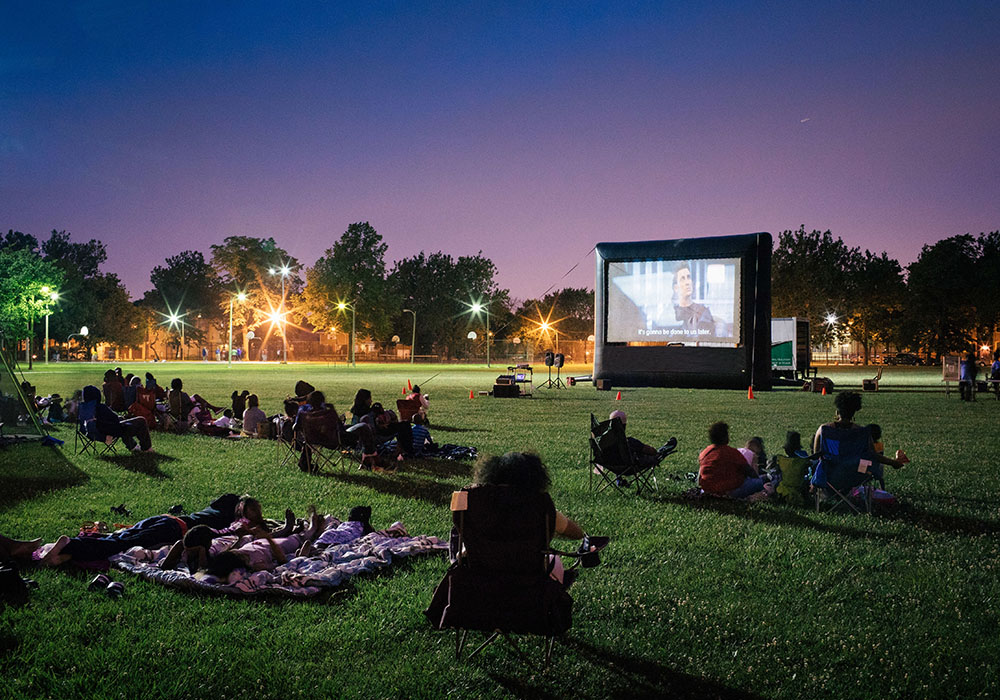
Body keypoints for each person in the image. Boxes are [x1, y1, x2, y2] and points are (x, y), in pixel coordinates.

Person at [35, 494, 248, 566]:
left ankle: (68, 553)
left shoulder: (211, 509)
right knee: (120, 544)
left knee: (121, 537)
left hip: (165, 519)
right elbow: (235, 532)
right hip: (172, 528)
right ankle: (70, 544)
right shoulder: (226, 519)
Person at [812, 392, 909, 474]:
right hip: (854, 474)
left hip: (828, 473)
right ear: (854, 412)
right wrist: (893, 463)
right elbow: (873, 455)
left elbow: (816, 455)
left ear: (837, 412)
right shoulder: (862, 432)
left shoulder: (824, 429)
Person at [698, 421, 764, 499]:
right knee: (759, 482)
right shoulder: (732, 453)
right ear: (725, 437)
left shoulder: (705, 452)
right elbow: (750, 472)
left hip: (707, 490)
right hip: (728, 491)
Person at [82, 385, 153, 453]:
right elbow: (114, 419)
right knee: (141, 420)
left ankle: (133, 446)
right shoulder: (100, 407)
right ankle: (146, 448)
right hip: (111, 432)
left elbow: (85, 427)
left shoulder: (84, 408)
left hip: (99, 432)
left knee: (121, 419)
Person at [608, 410, 676, 466]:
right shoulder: (630, 442)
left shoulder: (605, 443)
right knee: (655, 455)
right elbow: (649, 451)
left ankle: (619, 481)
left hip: (612, 465)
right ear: (624, 426)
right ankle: (663, 450)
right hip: (631, 466)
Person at [672, 261, 714, 331]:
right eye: (682, 279)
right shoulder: (674, 311)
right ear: (676, 288)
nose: (687, 282)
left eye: (688, 277)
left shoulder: (703, 312)